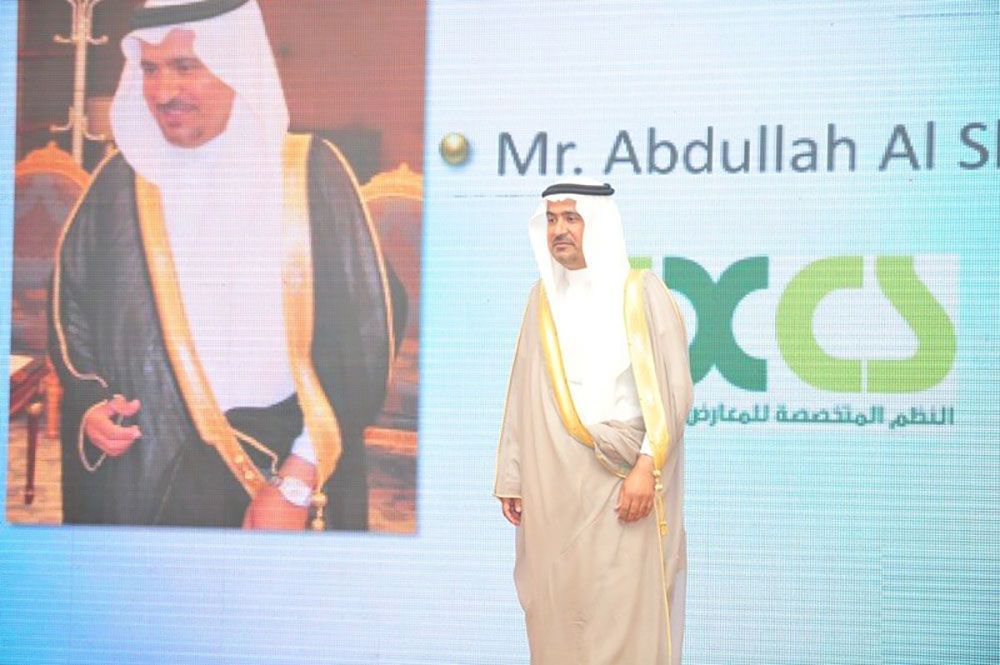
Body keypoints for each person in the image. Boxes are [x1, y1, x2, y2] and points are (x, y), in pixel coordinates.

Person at [49, 0, 405, 530]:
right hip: (148, 480)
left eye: (185, 67)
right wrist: (91, 402)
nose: (164, 91)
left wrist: (297, 480)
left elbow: (366, 335)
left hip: (279, 472)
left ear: (236, 63)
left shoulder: (310, 174)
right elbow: (69, 307)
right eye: (149, 69)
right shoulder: (118, 185)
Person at [494, 179, 693, 664]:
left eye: (572, 218)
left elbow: (674, 392)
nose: (559, 230)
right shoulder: (541, 300)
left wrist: (648, 467)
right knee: (559, 614)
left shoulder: (641, 292)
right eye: (552, 219)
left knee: (625, 615)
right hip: (554, 491)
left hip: (625, 485)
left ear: (598, 223)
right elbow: (523, 392)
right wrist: (513, 475)